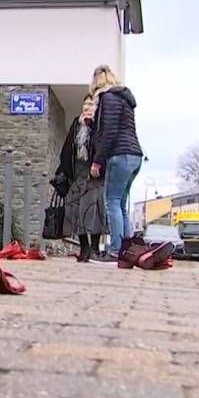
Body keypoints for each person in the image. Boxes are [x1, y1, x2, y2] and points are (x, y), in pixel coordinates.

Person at [88, 64, 144, 261]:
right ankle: (126, 250)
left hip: (120, 155)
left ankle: (115, 250)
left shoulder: (108, 98)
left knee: (112, 201)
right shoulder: (124, 99)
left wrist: (97, 161)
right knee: (120, 204)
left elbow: (110, 132)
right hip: (134, 155)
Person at [54, 94, 109, 262]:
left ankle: (94, 248)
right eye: (85, 104)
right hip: (77, 171)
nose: (86, 107)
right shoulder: (76, 124)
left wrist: (92, 124)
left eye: (90, 104)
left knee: (94, 209)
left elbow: (102, 146)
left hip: (94, 173)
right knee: (75, 209)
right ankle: (84, 248)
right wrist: (64, 172)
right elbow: (67, 149)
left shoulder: (99, 125)